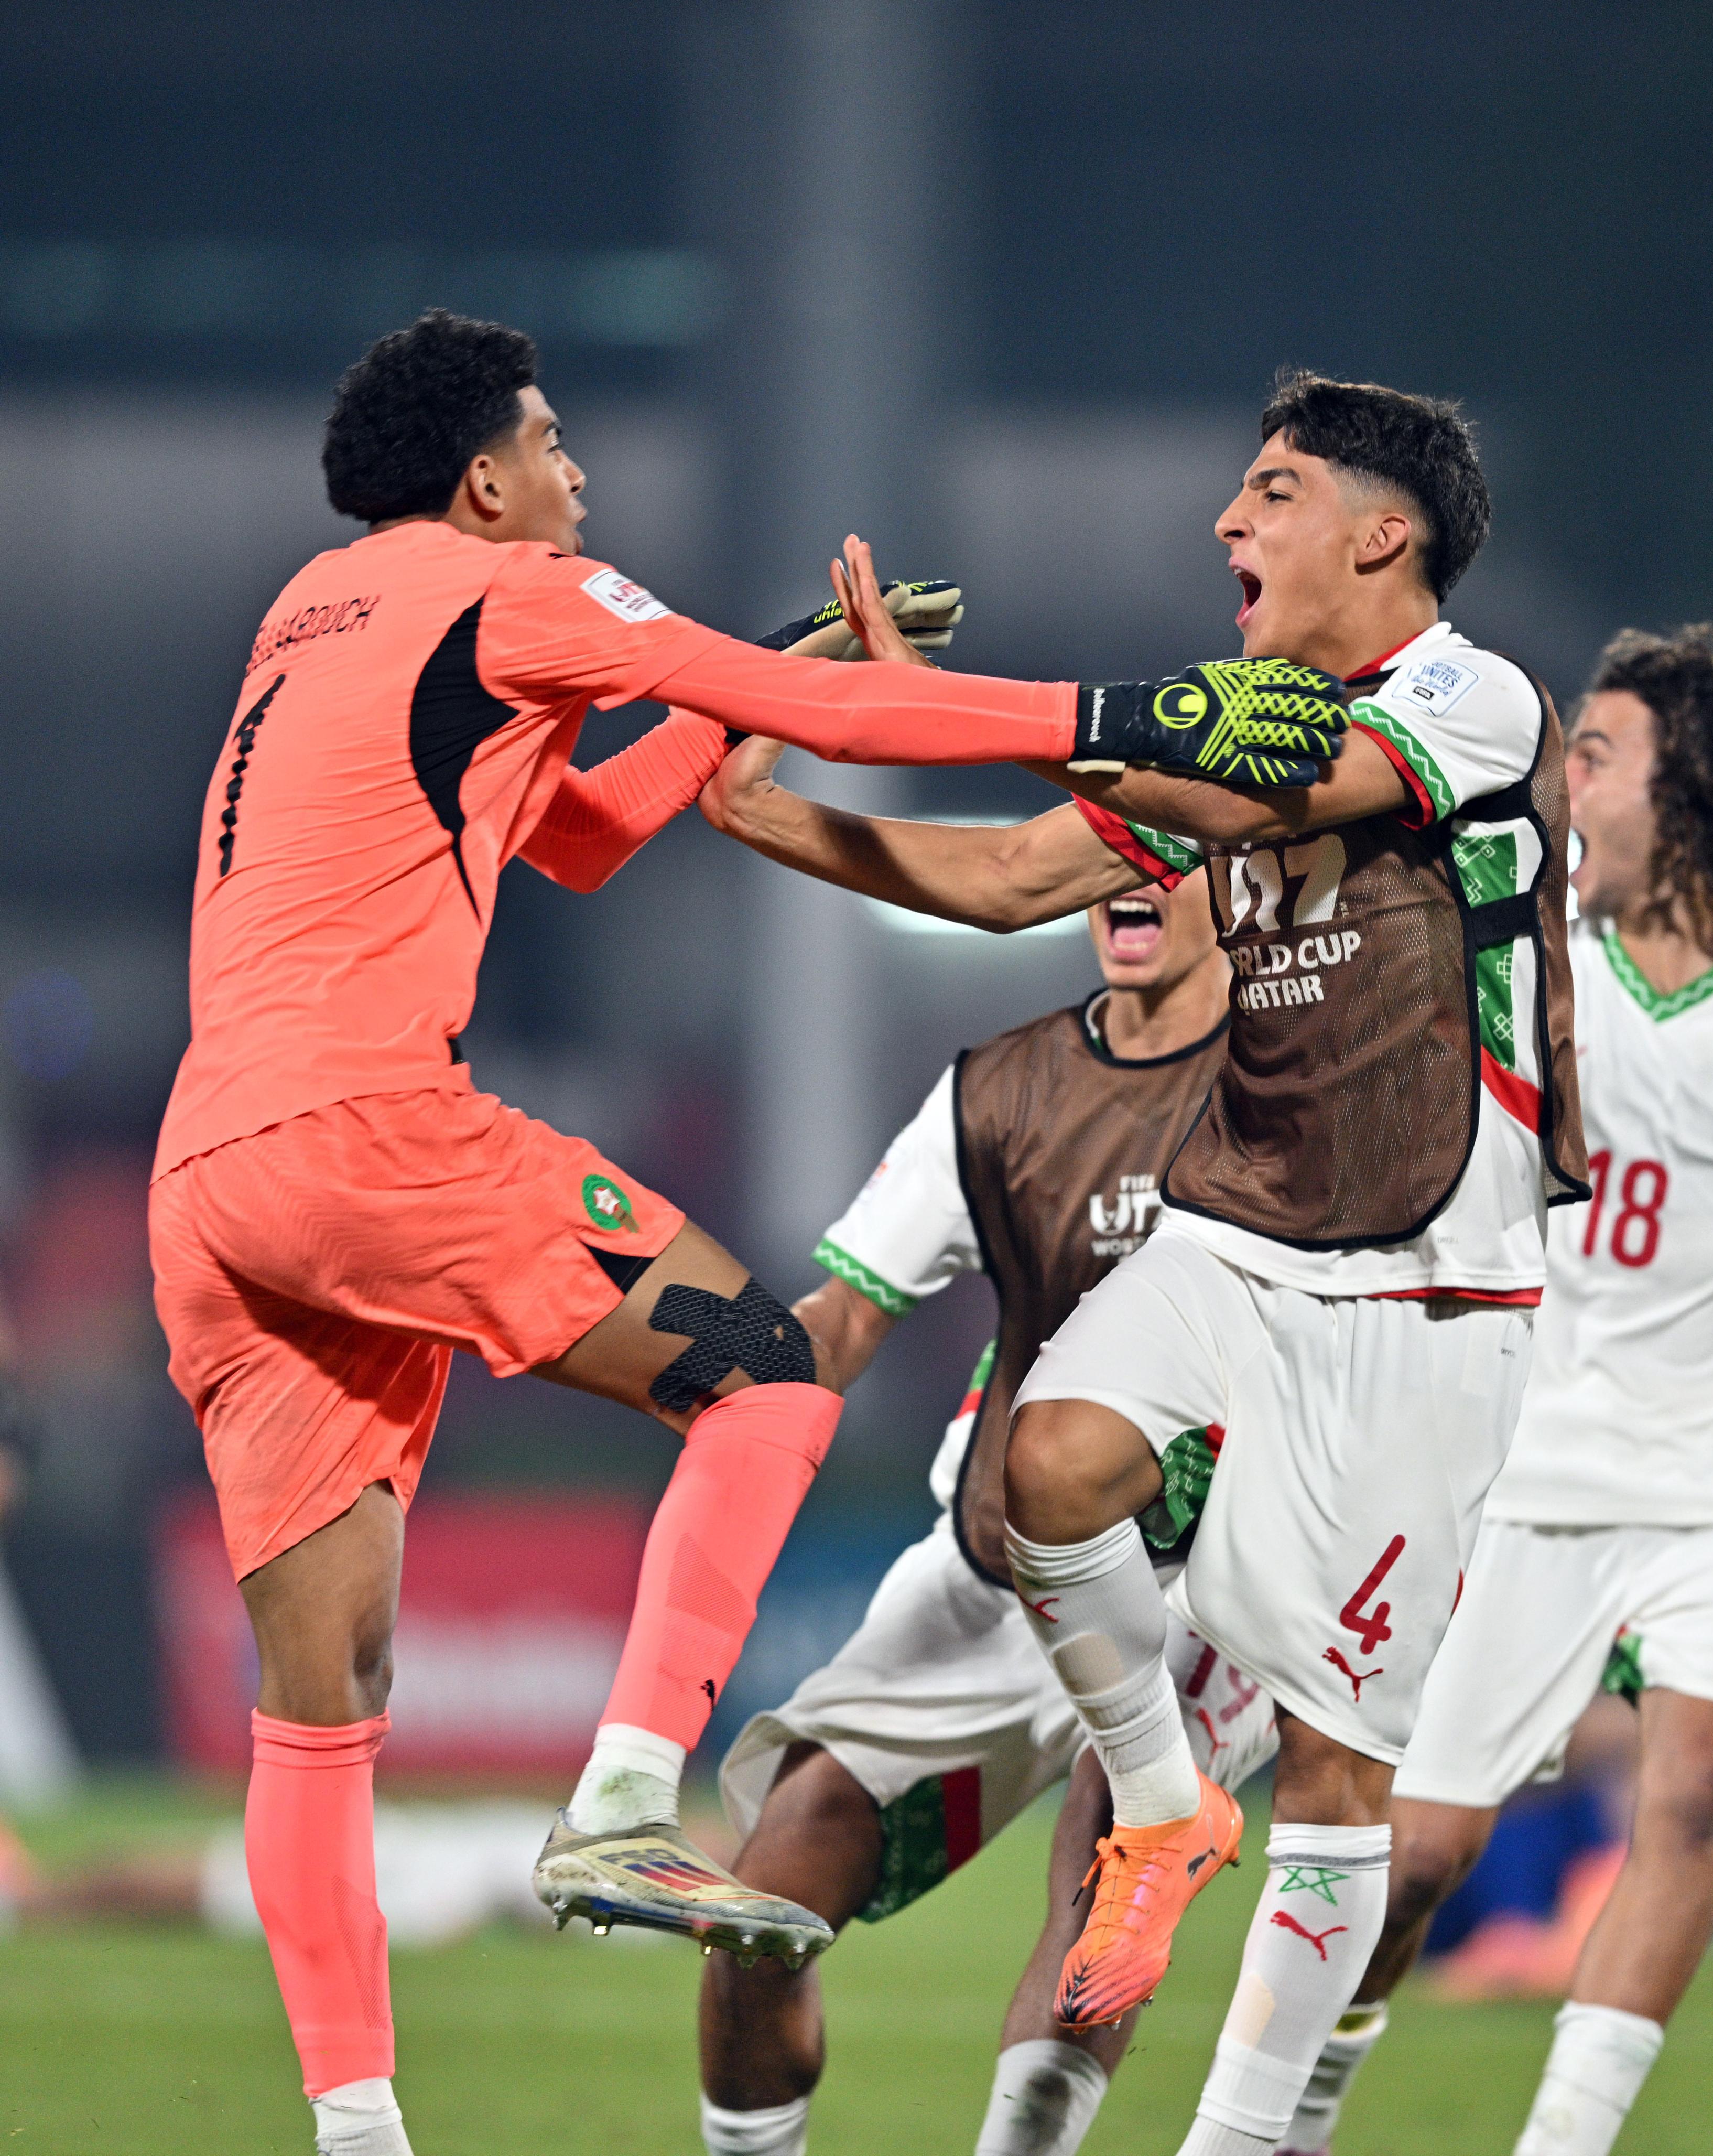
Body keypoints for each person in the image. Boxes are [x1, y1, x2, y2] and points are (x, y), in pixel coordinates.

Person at [145, 308, 1346, 2156]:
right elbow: (840, 720)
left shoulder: (309, 615)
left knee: (323, 1709)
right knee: (770, 1374)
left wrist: (722, 684)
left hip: (209, 1168)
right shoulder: (499, 584)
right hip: (363, 1122)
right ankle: (631, 1788)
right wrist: (1125, 718)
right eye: (552, 445)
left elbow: (582, 833)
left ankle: (357, 2134)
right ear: (483, 481)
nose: (579, 473)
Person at [694, 368, 1586, 2156]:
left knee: (1342, 1777)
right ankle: (1167, 1815)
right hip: (1245, 1231)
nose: (1224, 525)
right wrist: (764, 805)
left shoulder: (1467, 700)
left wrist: (929, 699)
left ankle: (1240, 2137)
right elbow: (1015, 875)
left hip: (1431, 1287)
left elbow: (1264, 789)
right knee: (1049, 1464)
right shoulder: (1243, 725)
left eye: (1269, 490)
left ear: (1379, 533)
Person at [1280, 626, 1713, 2156]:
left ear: (1684, 791)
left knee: (1695, 1784)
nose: (1563, 778)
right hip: (1522, 1480)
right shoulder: (1513, 965)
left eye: (1594, 754)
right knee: (1421, 1855)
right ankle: (1289, 2120)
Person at [688, 855, 1274, 2156]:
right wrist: (693, 1368)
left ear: (1238, 885)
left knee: (1108, 1838)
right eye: (1106, 844)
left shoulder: (1297, 1084)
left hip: (1191, 1594)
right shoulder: (995, 1090)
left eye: (1167, 849)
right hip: (992, 1573)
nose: (1130, 871)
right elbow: (842, 1317)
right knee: (763, 1902)